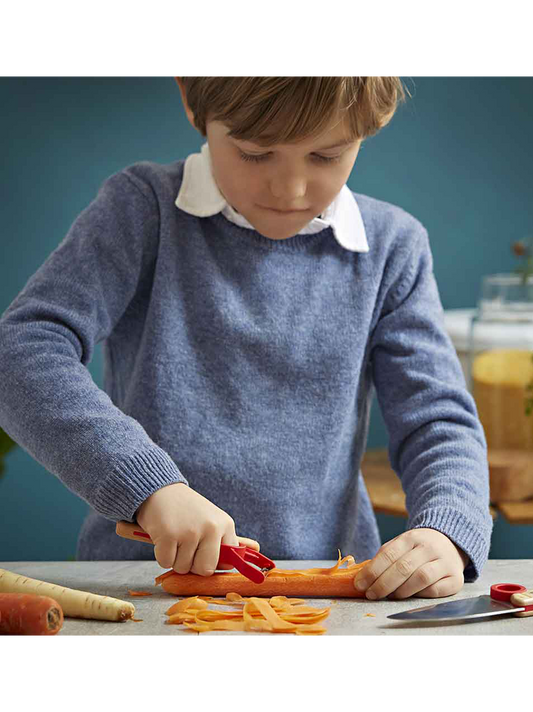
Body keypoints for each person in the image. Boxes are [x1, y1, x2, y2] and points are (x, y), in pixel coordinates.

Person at [0, 74, 492, 600]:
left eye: (326, 156)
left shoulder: (395, 247)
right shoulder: (141, 210)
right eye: (256, 154)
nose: (291, 189)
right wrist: (149, 486)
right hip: (140, 586)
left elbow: (437, 419)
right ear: (192, 100)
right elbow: (21, 351)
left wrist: (448, 528)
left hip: (332, 593)